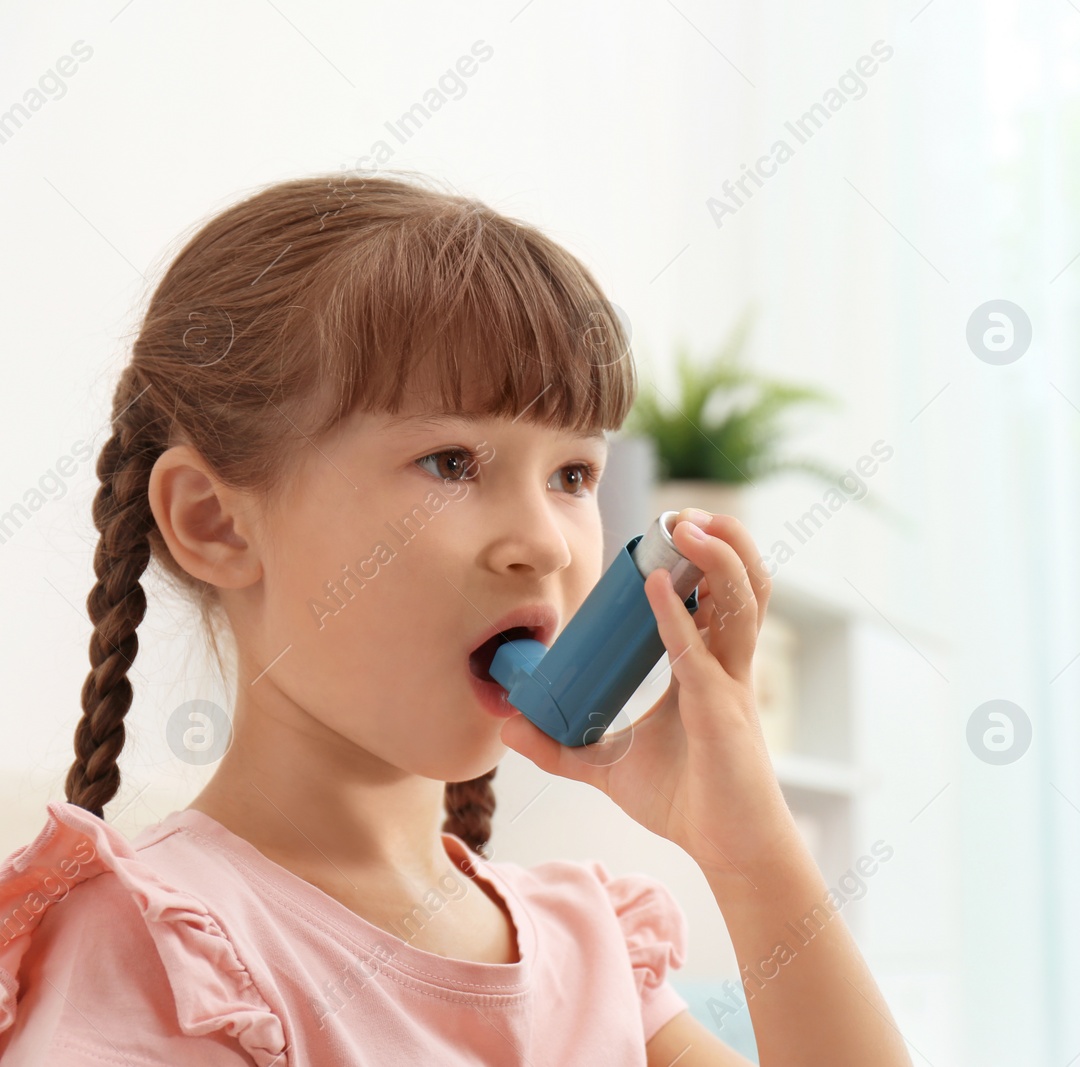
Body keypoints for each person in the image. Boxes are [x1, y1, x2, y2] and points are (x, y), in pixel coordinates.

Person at [0, 173, 912, 1067]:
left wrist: (749, 844)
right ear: (214, 520)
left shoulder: (591, 950)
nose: (545, 546)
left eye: (573, 476)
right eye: (451, 462)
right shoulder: (159, 953)